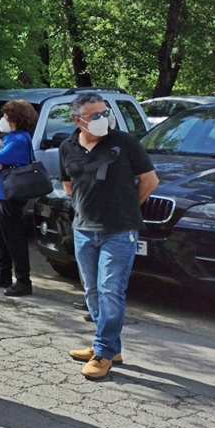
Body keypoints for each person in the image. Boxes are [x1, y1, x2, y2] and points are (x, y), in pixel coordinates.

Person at [60, 92, 158, 380]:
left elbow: (150, 181)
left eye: (106, 112)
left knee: (110, 290)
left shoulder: (125, 142)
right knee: (91, 291)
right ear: (78, 120)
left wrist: (126, 208)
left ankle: (103, 352)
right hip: (84, 230)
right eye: (96, 115)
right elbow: (69, 185)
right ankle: (110, 346)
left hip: (120, 231)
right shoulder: (67, 147)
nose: (104, 118)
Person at [0, 99, 37, 296]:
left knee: (13, 237)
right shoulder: (12, 138)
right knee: (0, 235)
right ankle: (4, 273)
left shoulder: (18, 140)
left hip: (9, 195)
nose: (2, 119)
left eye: (6, 116)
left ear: (15, 119)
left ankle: (23, 279)